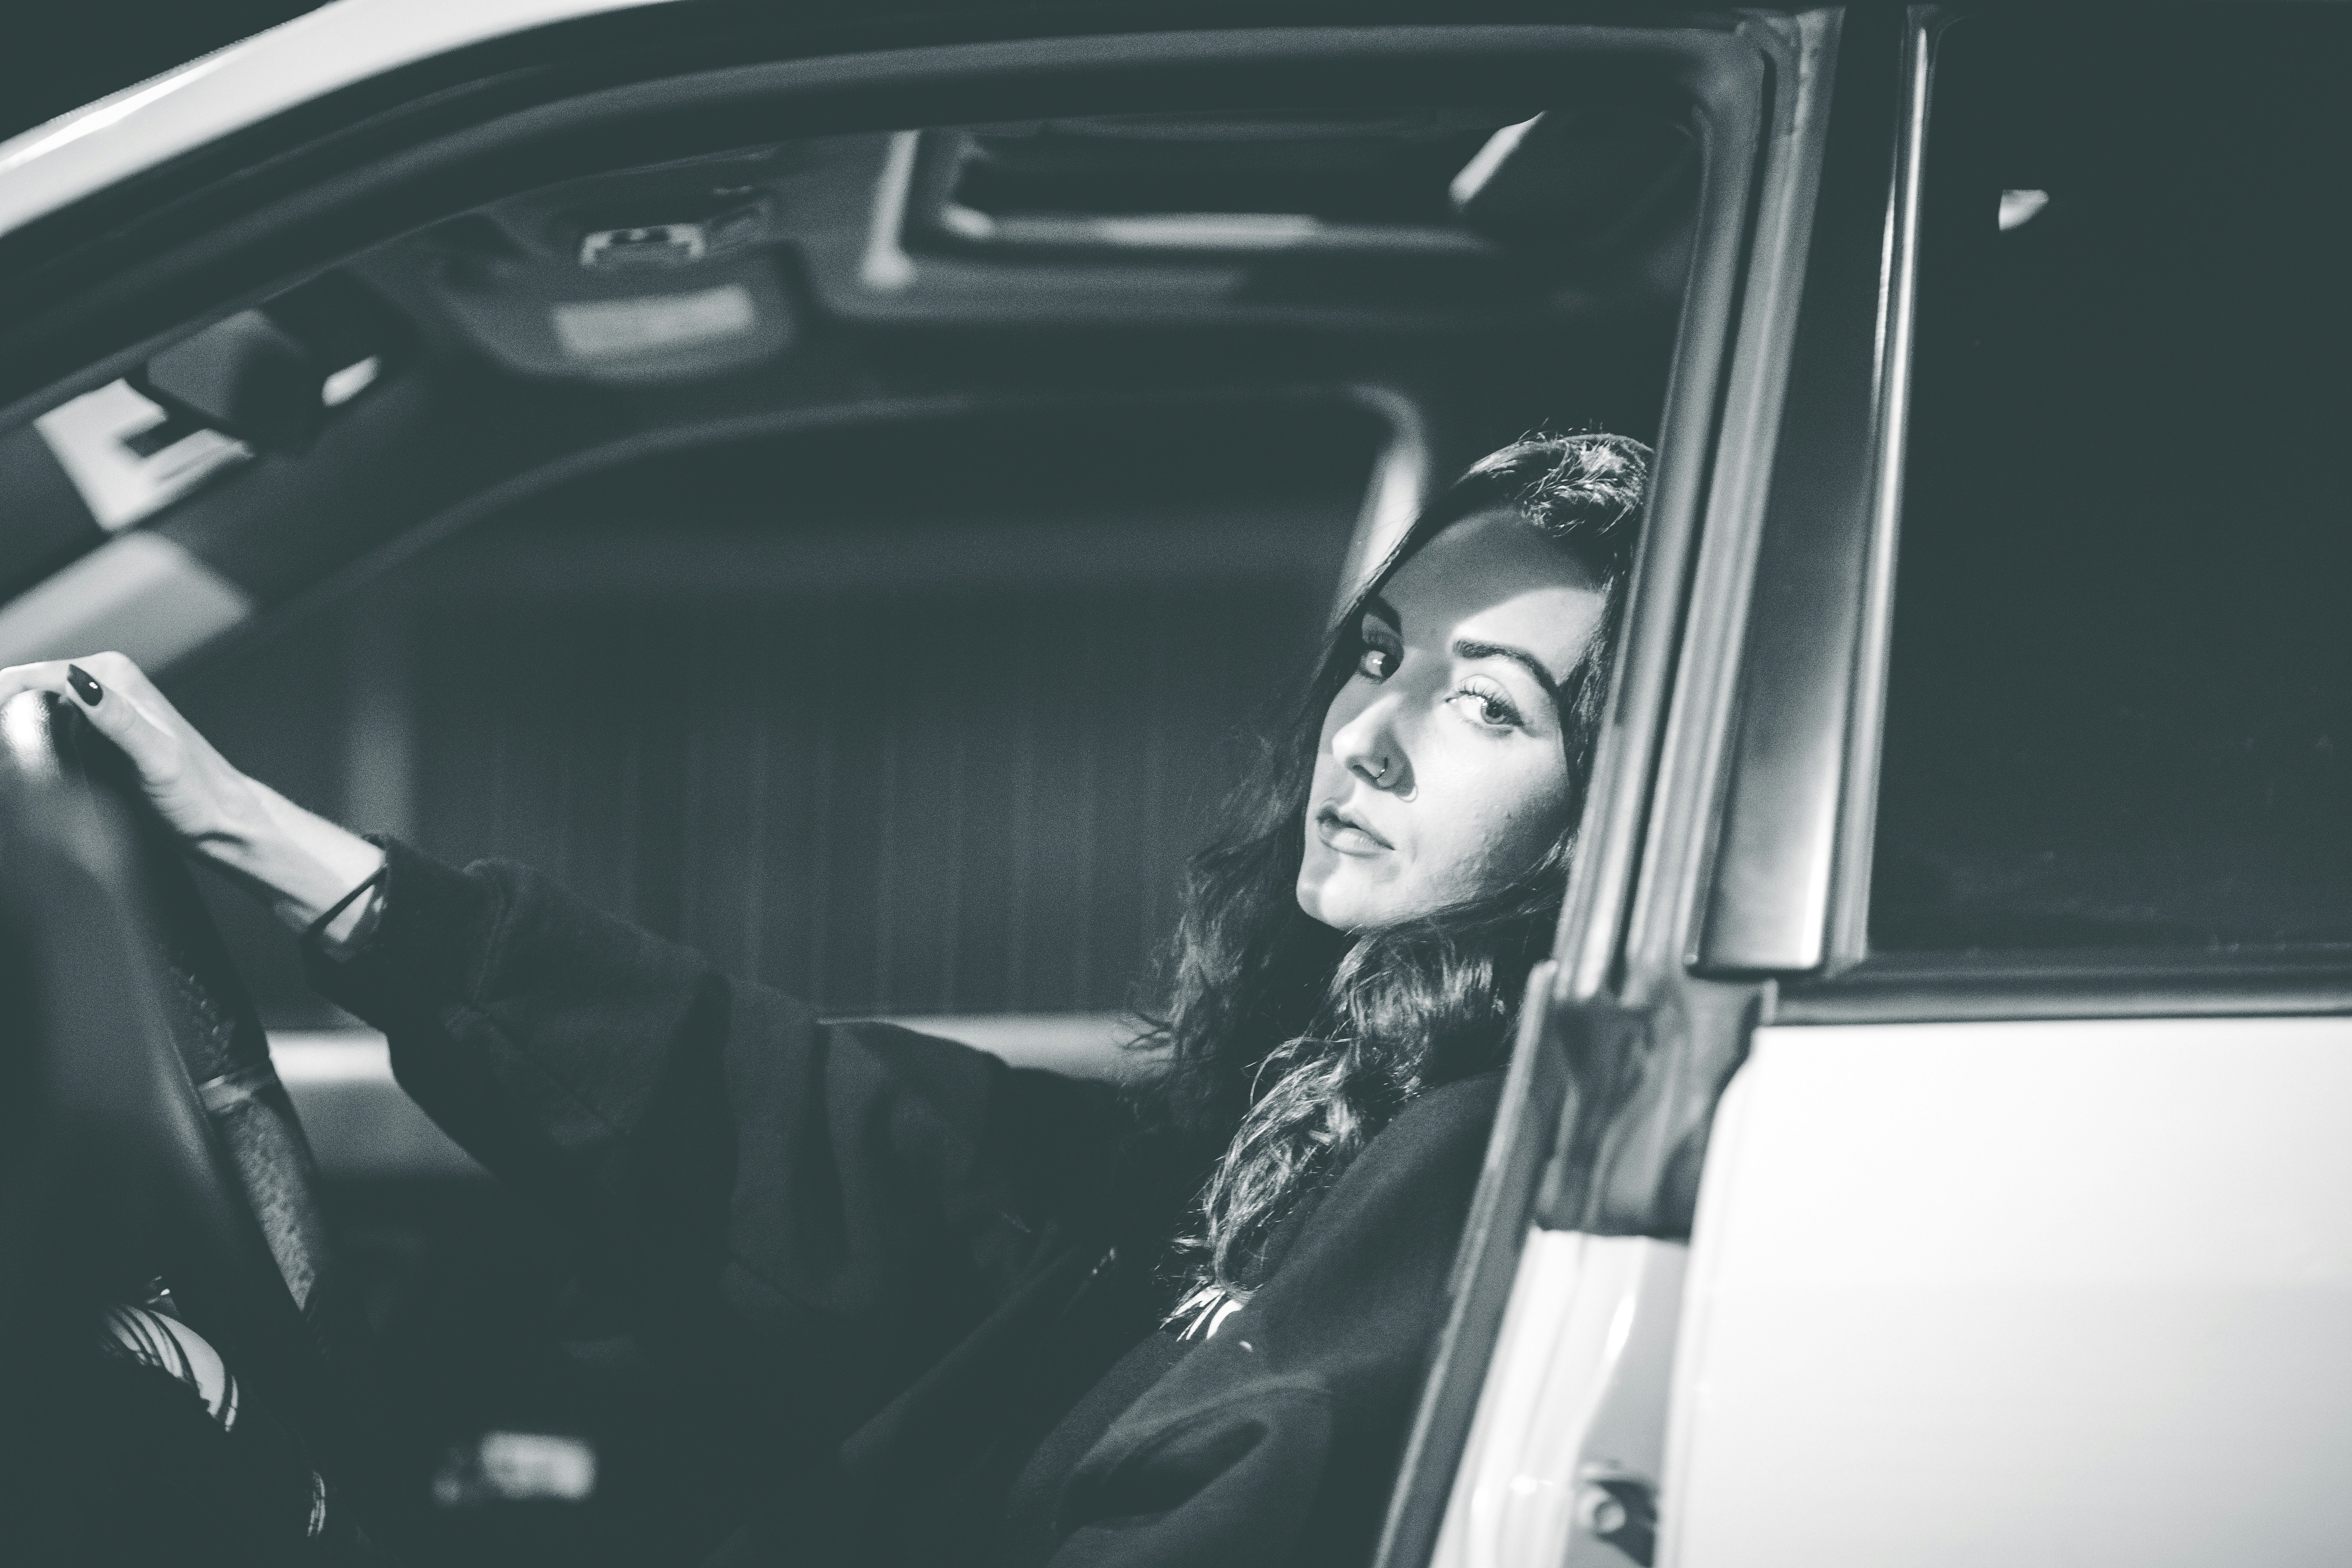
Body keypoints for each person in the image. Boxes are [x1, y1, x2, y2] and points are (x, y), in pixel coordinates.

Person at [0, 430, 1648, 1566]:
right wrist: (292, 855)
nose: (1371, 732)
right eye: (1378, 655)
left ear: (1613, 812)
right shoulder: (1303, 1091)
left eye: (1489, 708)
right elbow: (896, 1157)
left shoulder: (1461, 1155)